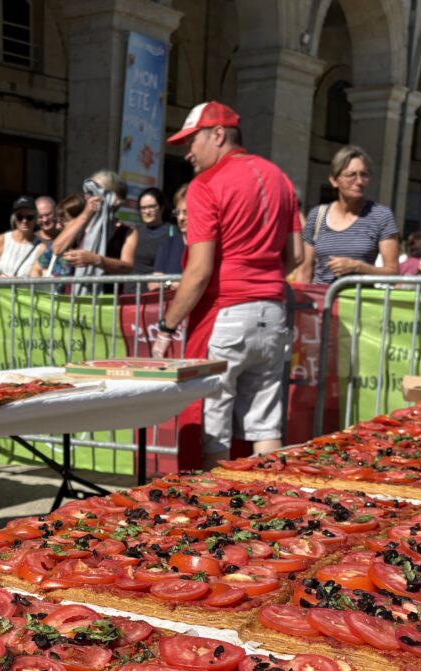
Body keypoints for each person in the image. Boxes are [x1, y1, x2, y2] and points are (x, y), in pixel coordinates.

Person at [156, 101, 302, 469]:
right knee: (265, 422)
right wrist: (261, 278)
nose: (188, 153)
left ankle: (214, 512)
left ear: (218, 134)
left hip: (227, 314)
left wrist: (166, 326)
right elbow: (296, 255)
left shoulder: (205, 185)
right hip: (272, 310)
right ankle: (272, 507)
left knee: (214, 424)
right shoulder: (280, 178)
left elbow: (200, 270)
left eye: (192, 141)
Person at [297, 146, 399, 284]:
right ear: (334, 180)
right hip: (322, 302)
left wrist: (358, 267)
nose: (359, 181)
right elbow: (304, 272)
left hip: (360, 302)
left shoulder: (381, 215)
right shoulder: (317, 215)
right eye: (351, 175)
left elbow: (393, 273)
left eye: (364, 175)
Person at [48, 170, 138, 276]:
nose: (89, 198)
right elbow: (57, 249)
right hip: (76, 290)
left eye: (95, 192)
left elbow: (127, 267)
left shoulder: (127, 231)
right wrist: (85, 214)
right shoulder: (79, 221)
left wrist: (96, 260)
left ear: (113, 198)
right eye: (88, 193)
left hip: (107, 291)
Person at [30, 193, 85, 279]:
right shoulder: (59, 243)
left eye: (64, 221)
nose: (58, 226)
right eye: (40, 216)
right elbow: (36, 268)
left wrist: (98, 260)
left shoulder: (90, 243)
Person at [0, 196, 41, 278]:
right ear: (14, 218)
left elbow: (38, 276)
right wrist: (2, 281)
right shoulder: (2, 239)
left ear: (36, 219)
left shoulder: (40, 246)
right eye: (20, 217)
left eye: (29, 217)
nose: (24, 221)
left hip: (25, 290)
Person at [132, 187, 177, 277]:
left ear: (161, 208)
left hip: (158, 289)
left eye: (152, 207)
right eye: (143, 208)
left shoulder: (174, 232)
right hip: (133, 288)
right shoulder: (133, 232)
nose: (147, 211)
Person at [152, 184, 188, 279]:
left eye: (186, 212)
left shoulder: (206, 245)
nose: (180, 218)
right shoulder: (168, 243)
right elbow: (154, 283)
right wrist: (170, 284)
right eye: (177, 212)